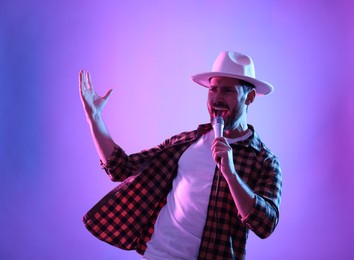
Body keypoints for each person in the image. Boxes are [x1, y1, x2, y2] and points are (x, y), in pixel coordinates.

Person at [80, 51, 282, 260]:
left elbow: (264, 224)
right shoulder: (186, 142)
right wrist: (95, 118)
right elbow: (122, 168)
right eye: (213, 89)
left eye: (228, 91)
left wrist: (230, 174)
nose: (218, 98)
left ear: (249, 97)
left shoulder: (264, 161)